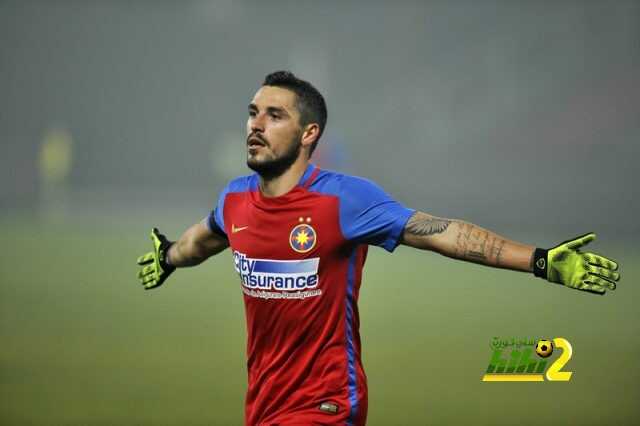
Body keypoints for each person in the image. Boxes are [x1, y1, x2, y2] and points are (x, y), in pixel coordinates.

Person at [136, 71, 621, 426]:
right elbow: (202, 240)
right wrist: (167, 256)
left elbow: (441, 232)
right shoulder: (235, 199)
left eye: (274, 115)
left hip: (325, 405)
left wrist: (539, 260)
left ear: (310, 135)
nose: (256, 124)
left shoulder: (344, 200)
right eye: (252, 112)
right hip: (263, 406)